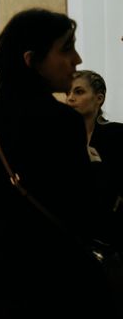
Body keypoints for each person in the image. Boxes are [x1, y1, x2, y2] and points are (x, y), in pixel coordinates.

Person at [0, 9, 122, 319]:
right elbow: (85, 211)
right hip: (55, 286)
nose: (76, 60)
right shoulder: (61, 121)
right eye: (66, 49)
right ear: (31, 60)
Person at [66, 70, 123, 225]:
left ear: (99, 98)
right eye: (68, 92)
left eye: (79, 92)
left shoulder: (117, 134)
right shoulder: (62, 139)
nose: (70, 98)